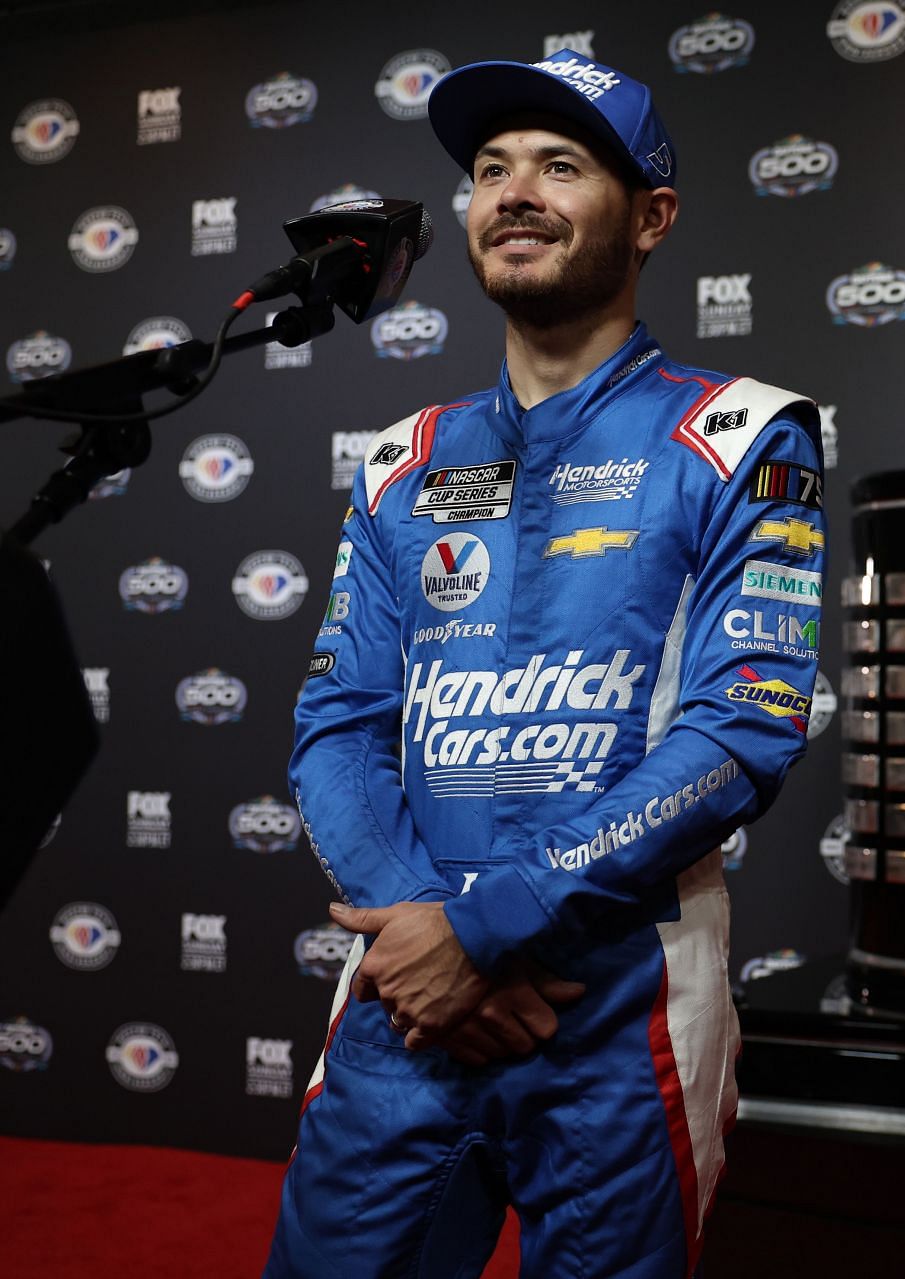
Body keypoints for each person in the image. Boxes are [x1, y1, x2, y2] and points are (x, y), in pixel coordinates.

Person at [263, 48, 826, 1278]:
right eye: (490, 168)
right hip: (408, 990)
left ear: (652, 217)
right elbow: (338, 727)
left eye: (562, 165)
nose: (514, 190)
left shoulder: (739, 434)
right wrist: (431, 938)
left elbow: (745, 728)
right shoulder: (408, 457)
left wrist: (491, 927)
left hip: (619, 1004)